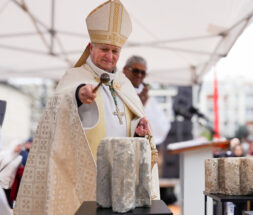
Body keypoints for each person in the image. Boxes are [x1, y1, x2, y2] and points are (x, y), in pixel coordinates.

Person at [14, 1, 159, 215]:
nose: (110, 56)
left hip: (123, 180)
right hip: (87, 181)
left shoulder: (123, 82)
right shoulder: (75, 78)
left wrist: (139, 130)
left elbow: (130, 121)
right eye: (104, 49)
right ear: (91, 47)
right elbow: (58, 105)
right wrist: (78, 95)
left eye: (115, 51)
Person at [123, 55, 171, 145]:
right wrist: (139, 105)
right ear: (125, 69)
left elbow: (162, 126)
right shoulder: (118, 90)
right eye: (135, 71)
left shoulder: (146, 95)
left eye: (143, 73)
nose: (139, 75)